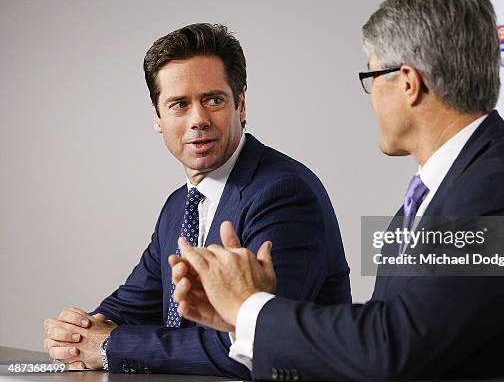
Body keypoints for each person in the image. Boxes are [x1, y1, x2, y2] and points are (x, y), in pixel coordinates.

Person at [170, 0, 504, 381]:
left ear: (409, 83)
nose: (371, 98)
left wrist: (253, 308)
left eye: (372, 78)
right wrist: (241, 321)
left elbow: (393, 348)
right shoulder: (447, 191)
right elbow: (379, 341)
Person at [42, 23, 351, 377]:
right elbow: (132, 304)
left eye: (213, 100)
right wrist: (78, 332)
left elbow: (253, 342)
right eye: (179, 105)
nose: (198, 120)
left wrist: (110, 345)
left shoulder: (283, 193)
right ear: (157, 117)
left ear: (241, 104)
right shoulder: (180, 206)